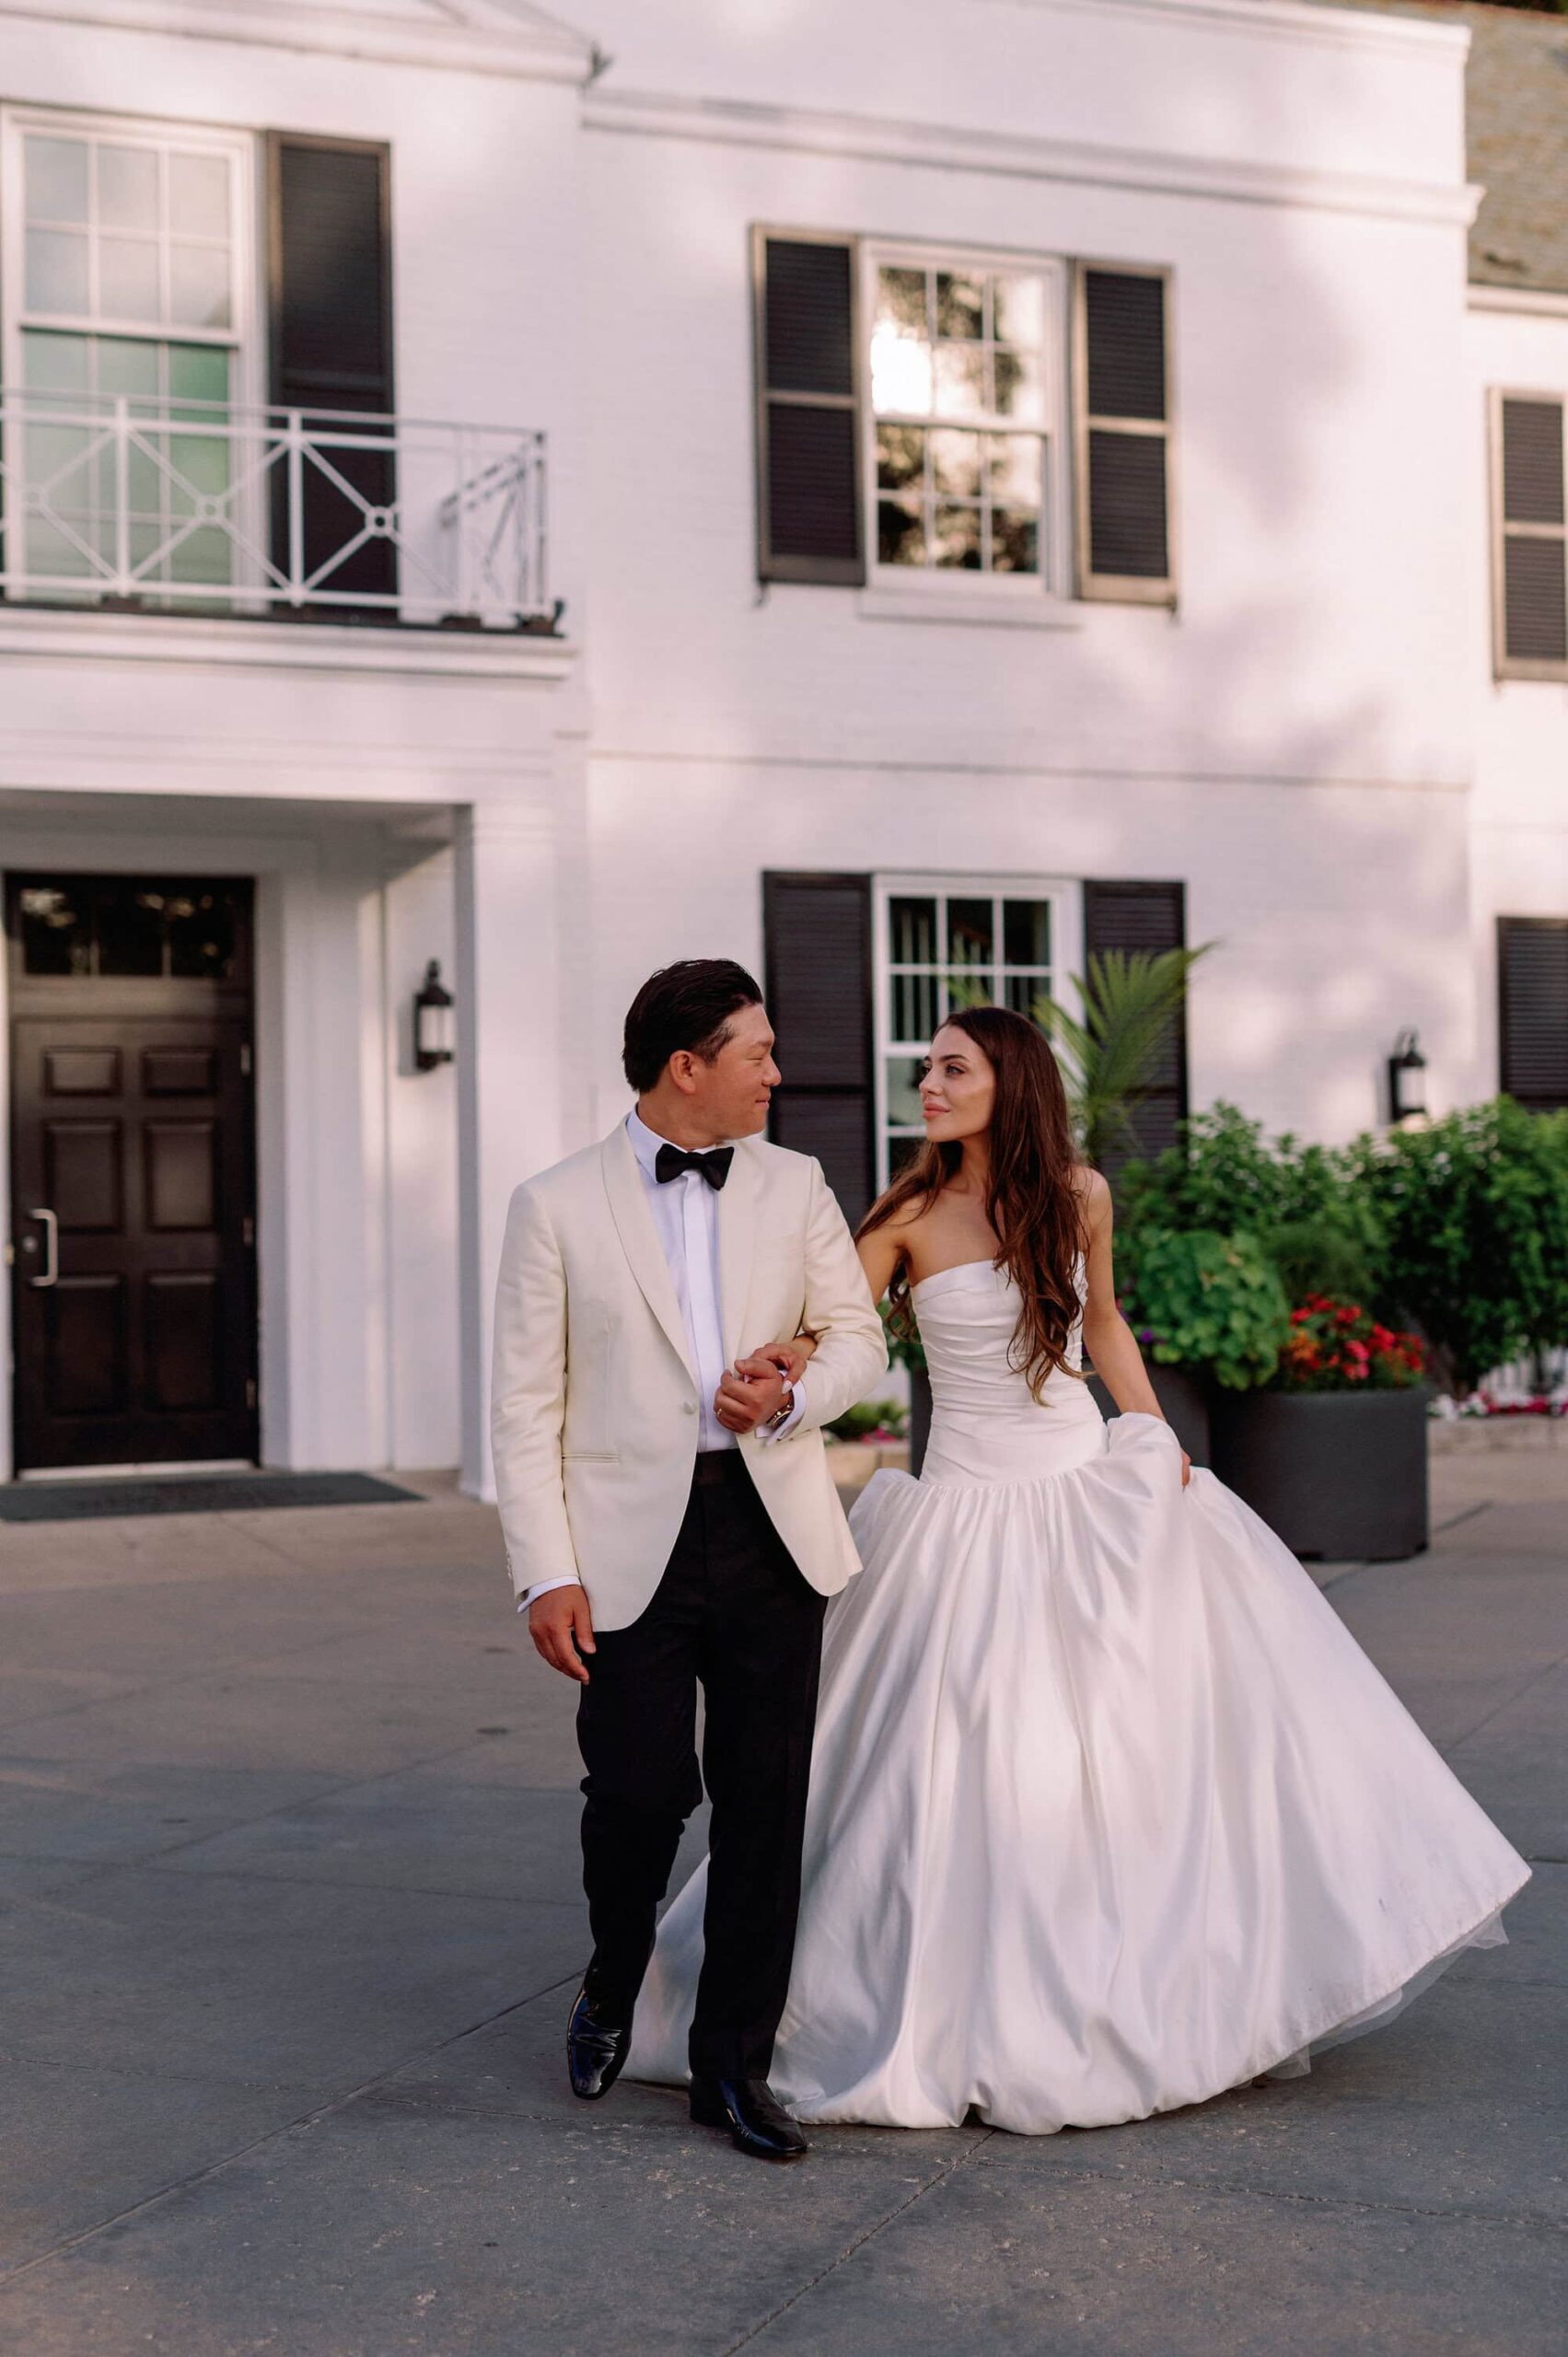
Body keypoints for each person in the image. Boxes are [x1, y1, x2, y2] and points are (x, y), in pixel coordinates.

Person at [629, 1005, 1529, 2132]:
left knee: (1143, 1755)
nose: (927, 1083)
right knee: (947, 1766)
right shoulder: (905, 1214)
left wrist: (1155, 1439)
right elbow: (837, 1328)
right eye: (927, 1068)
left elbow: (1101, 1324)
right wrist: (783, 1369)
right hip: (960, 1516)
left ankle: (1152, 1992)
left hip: (1082, 1492)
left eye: (951, 1067)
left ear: (1008, 1081)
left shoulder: (1080, 1196)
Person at [490, 959, 887, 2162]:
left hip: (771, 1532)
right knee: (635, 1793)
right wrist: (545, 1571)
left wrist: (792, 1392)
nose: (776, 1073)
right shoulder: (553, 1204)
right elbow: (523, 1407)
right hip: (623, 1548)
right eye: (756, 1052)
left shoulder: (795, 1183)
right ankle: (611, 1975)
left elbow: (859, 1338)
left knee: (764, 1806)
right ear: (687, 1066)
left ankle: (731, 2069)